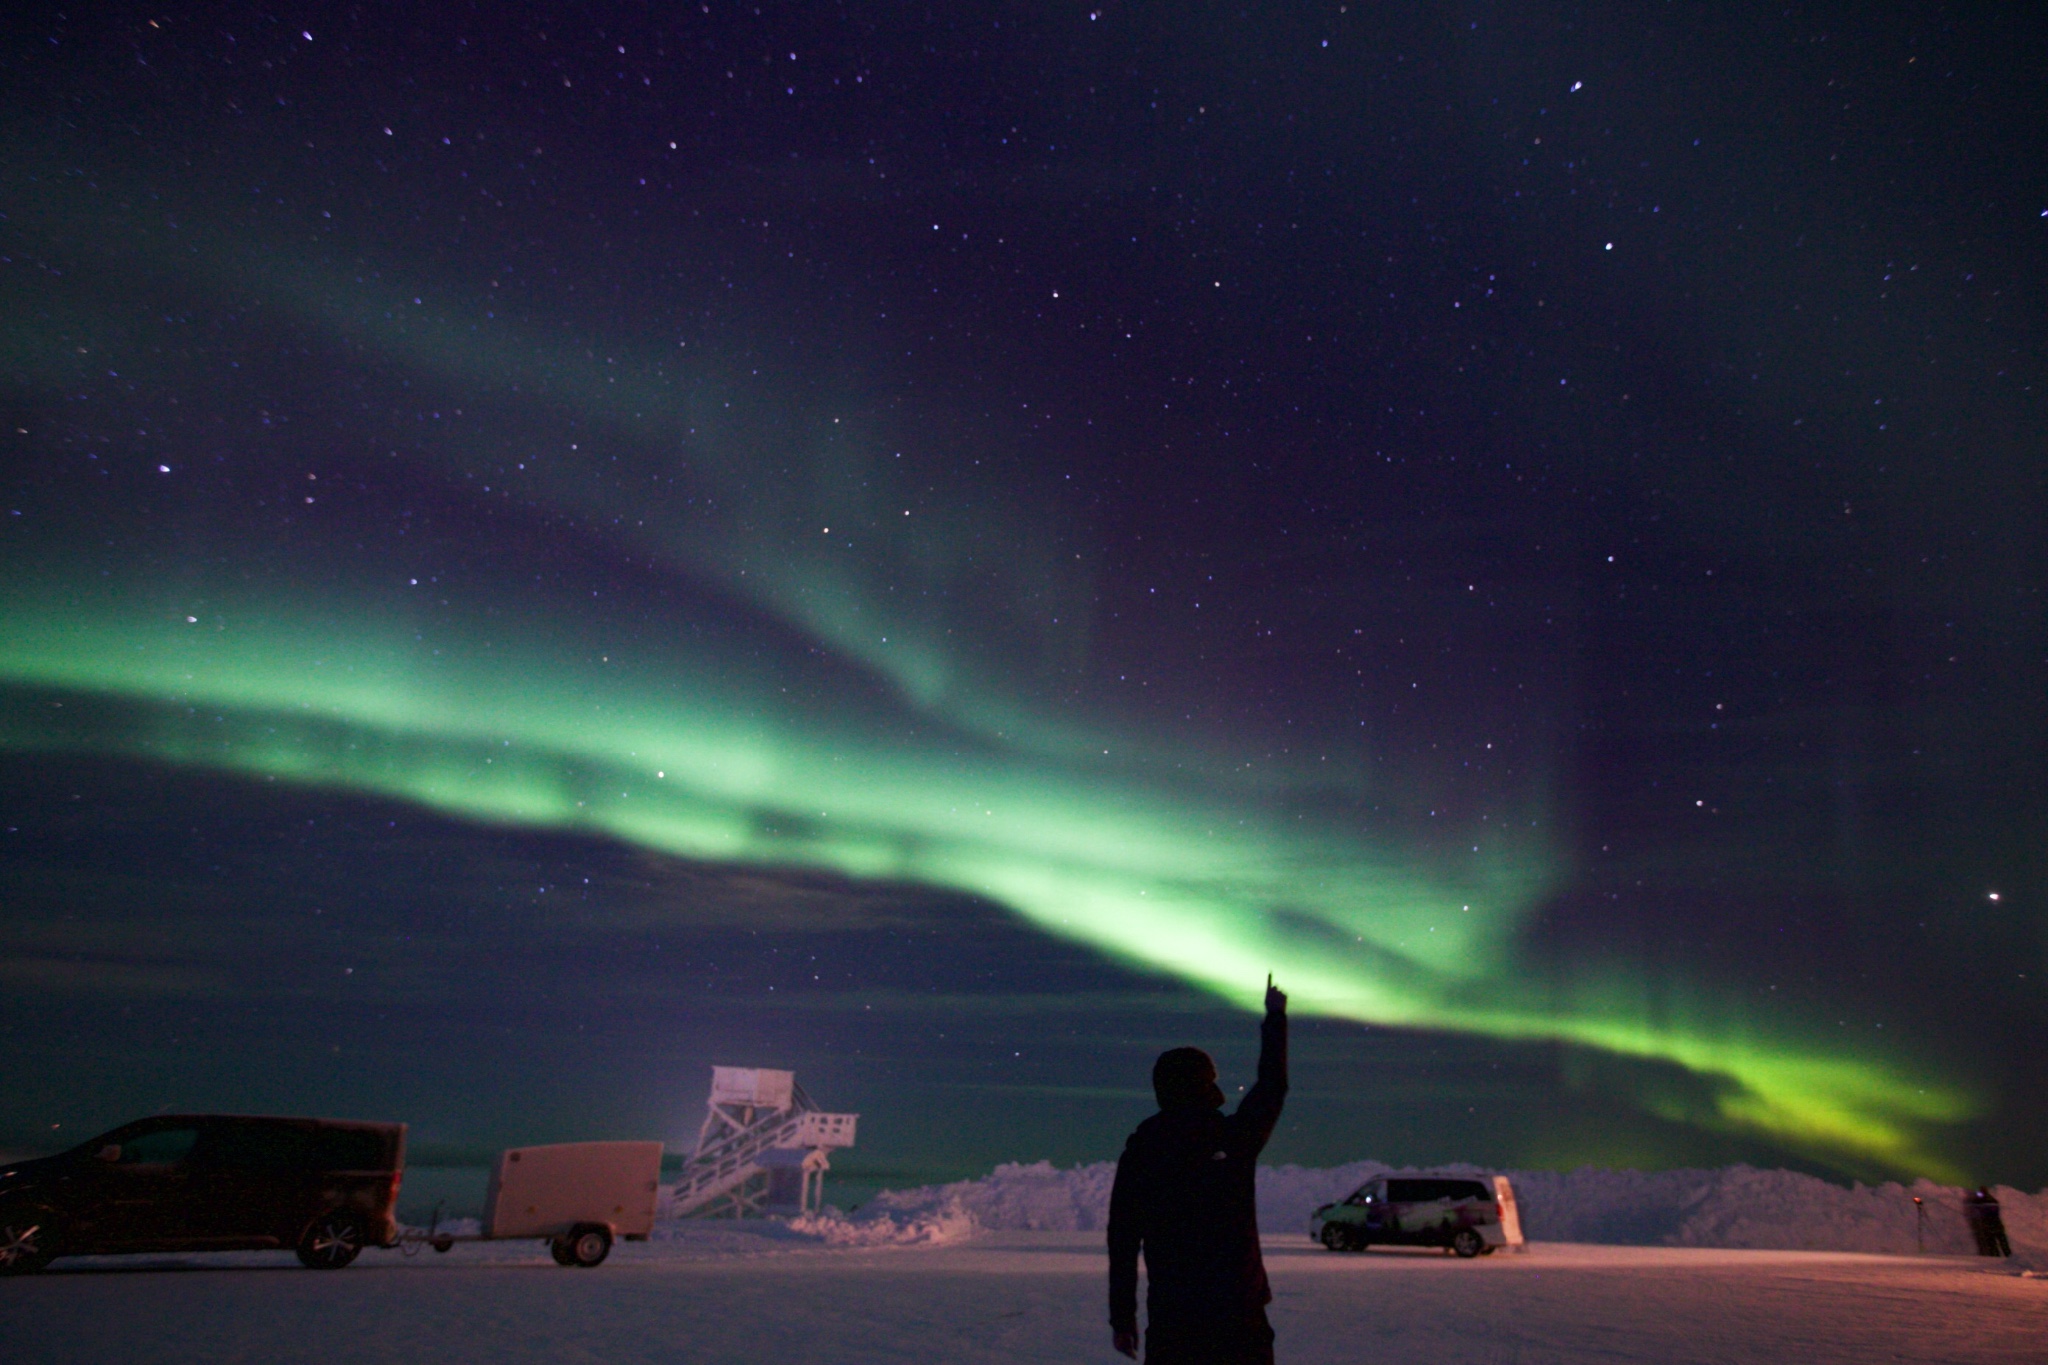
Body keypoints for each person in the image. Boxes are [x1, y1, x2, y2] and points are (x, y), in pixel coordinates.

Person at [1108, 975, 1288, 1364]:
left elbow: (1122, 1241)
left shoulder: (1143, 1150)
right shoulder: (1233, 1137)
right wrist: (1275, 1019)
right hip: (1239, 1312)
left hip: (1175, 1316)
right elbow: (1272, 1087)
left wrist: (1122, 1319)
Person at [1963, 1186, 2011, 1257]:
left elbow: (1974, 1204)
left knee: (1992, 1243)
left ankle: (1996, 1257)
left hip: (1988, 1225)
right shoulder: (1993, 1200)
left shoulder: (1981, 1201)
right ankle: (2009, 1257)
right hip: (1998, 1224)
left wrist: (1976, 1197)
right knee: (2003, 1242)